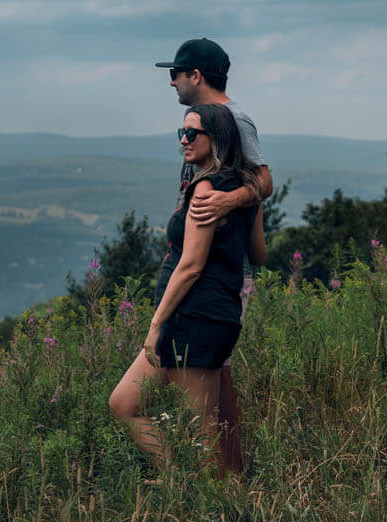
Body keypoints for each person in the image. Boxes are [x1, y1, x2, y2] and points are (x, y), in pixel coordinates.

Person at [109, 104, 267, 478]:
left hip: (193, 318)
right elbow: (259, 254)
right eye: (181, 133)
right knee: (124, 403)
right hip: (212, 316)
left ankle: (225, 511)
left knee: (204, 437)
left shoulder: (206, 188)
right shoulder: (247, 190)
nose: (184, 140)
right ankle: (183, 484)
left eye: (193, 133)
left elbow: (191, 264)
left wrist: (155, 324)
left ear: (218, 138)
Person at [154, 38, 272, 472]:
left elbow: (264, 180)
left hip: (218, 279)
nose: (172, 83)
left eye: (176, 74)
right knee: (217, 390)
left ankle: (216, 482)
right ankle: (234, 476)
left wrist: (228, 200)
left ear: (196, 76)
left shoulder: (233, 119)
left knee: (205, 398)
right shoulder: (207, 123)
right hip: (219, 276)